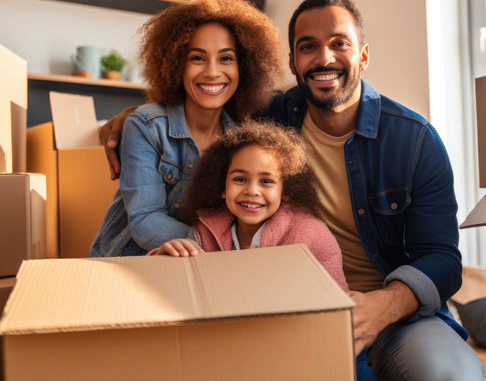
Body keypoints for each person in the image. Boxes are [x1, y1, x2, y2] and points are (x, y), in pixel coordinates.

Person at [101, 0, 486, 381]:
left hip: (395, 310)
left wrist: (385, 304)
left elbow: (443, 258)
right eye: (308, 47)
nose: (324, 58)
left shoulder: (415, 140)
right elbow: (199, 105)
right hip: (291, 301)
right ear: (292, 61)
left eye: (339, 44)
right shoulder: (272, 120)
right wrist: (130, 118)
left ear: (364, 55)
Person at [89, 0, 283, 257]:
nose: (213, 72)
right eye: (197, 58)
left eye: (226, 58)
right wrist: (226, 248)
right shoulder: (145, 127)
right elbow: (145, 221)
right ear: (176, 65)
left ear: (244, 68)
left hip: (204, 265)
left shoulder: (240, 138)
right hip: (131, 261)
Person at [148, 120, 348, 290]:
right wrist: (164, 260)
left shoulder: (312, 235)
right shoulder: (203, 233)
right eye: (240, 179)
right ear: (222, 186)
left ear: (285, 191)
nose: (252, 191)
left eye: (267, 181)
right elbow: (178, 293)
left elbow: (337, 303)